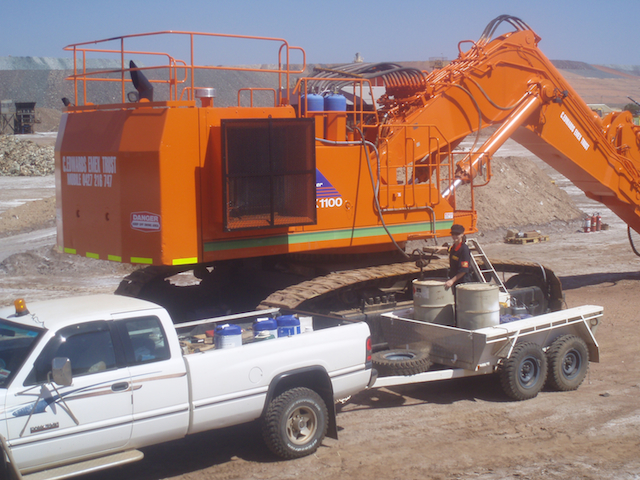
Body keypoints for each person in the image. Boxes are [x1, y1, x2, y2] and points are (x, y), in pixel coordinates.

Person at [442, 224, 473, 290]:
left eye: (457, 234)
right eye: (453, 234)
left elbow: (464, 270)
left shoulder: (464, 249)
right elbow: (449, 249)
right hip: (455, 281)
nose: (454, 236)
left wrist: (452, 281)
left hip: (463, 283)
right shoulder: (453, 248)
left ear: (462, 234)